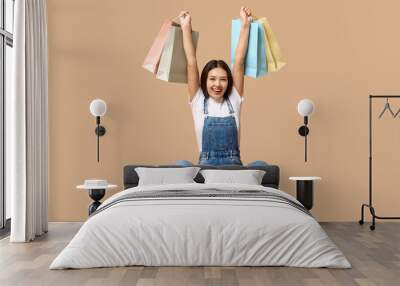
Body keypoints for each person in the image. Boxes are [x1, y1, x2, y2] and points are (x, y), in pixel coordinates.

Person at [178, 7, 268, 167]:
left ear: (229, 82)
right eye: (212, 79)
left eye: (223, 79)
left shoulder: (234, 97)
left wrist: (245, 26)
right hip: (205, 170)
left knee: (261, 165)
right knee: (181, 164)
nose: (217, 84)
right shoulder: (198, 99)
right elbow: (191, 63)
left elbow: (239, 62)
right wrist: (185, 28)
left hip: (233, 170)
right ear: (204, 81)